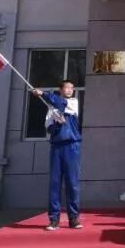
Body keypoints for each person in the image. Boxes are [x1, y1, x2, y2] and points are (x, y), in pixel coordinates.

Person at [32, 81, 82, 231]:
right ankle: (54, 219)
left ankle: (73, 218)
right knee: (55, 184)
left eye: (72, 88)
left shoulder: (73, 102)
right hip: (57, 147)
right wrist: (57, 124)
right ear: (60, 89)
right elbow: (48, 127)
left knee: (72, 183)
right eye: (67, 87)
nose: (70, 90)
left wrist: (44, 94)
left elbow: (62, 103)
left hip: (72, 147)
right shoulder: (51, 109)